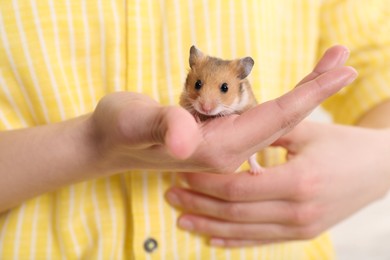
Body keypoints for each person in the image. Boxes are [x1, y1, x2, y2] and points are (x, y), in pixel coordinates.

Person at [0, 1, 388, 260]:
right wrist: (90, 145)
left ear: (240, 81)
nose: (204, 101)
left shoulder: (241, 91)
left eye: (220, 90)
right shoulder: (198, 94)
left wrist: (377, 160)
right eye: (198, 87)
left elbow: (380, 62)